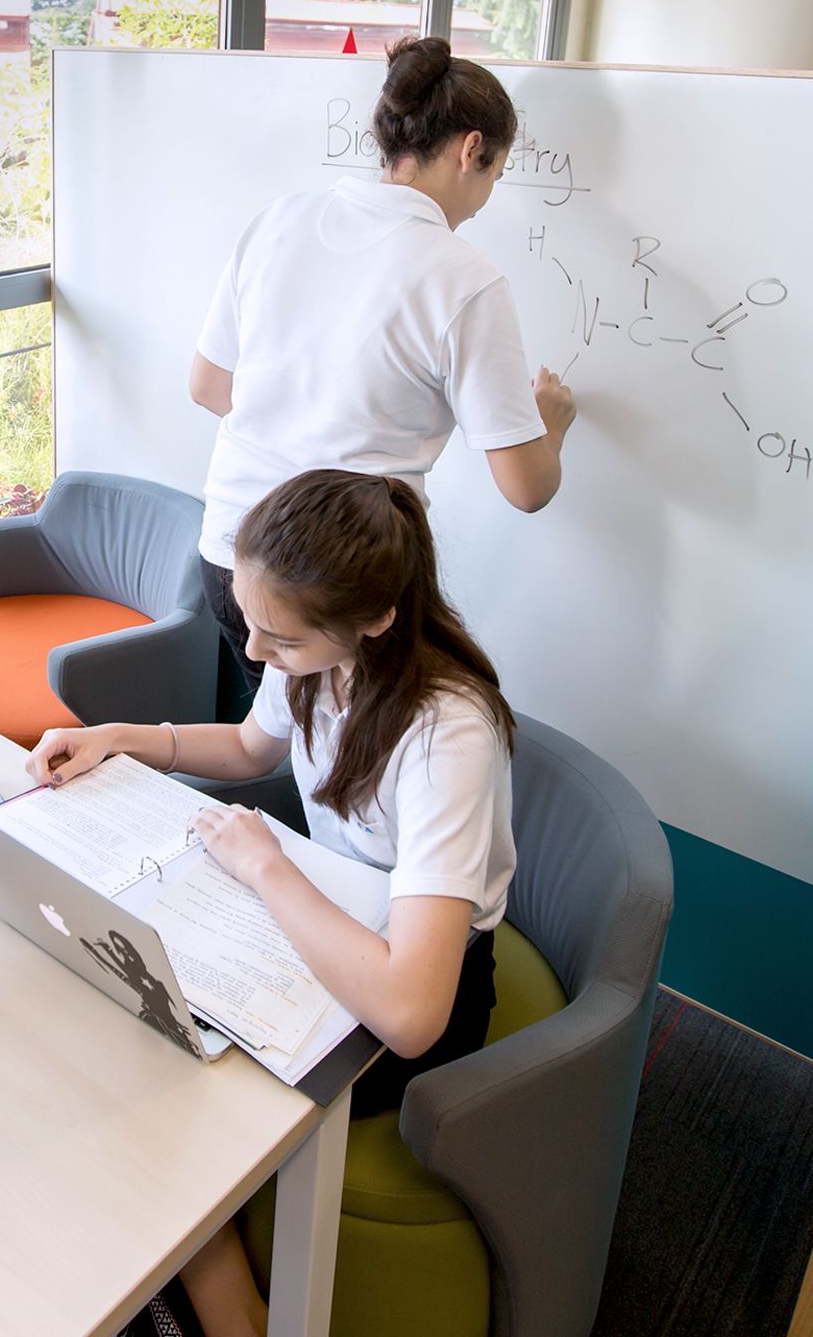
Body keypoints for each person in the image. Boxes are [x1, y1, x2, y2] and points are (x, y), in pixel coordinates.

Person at [28, 470, 519, 1337]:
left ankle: (231, 1310)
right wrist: (120, 740)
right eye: (250, 623)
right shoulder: (318, 664)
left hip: (415, 977)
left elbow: (412, 1012)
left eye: (278, 638)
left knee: (176, 1070)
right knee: (132, 1007)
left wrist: (268, 872)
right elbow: (252, 745)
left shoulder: (449, 736)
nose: (253, 652)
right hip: (330, 914)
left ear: (374, 619)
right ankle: (206, 1283)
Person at [189, 35, 578, 690]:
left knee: (278, 757)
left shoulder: (281, 219)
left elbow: (207, 386)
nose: (485, 200)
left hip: (232, 556)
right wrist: (551, 425)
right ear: (471, 150)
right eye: (496, 174)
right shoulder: (463, 277)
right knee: (351, 775)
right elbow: (527, 487)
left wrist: (307, 417)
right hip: (340, 589)